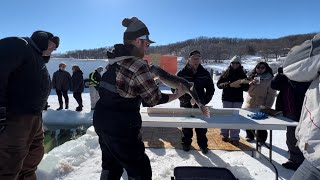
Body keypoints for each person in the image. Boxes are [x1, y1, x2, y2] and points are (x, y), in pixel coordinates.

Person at [93, 17, 185, 180]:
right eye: (147, 44)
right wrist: (177, 94)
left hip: (101, 120)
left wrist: (149, 76)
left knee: (111, 165)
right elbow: (153, 99)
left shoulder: (115, 59)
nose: (147, 48)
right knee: (139, 169)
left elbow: (125, 81)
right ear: (137, 41)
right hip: (122, 125)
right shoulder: (138, 64)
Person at [0, 31, 59, 179]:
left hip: (34, 117)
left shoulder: (37, 58)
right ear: (43, 38)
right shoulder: (19, 44)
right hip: (14, 117)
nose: (55, 48)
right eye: (54, 43)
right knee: (9, 164)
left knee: (31, 159)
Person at [282, 34, 320, 180]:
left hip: (296, 109)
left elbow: (292, 67)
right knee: (292, 137)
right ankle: (294, 159)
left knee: (293, 136)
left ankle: (295, 159)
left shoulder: (306, 73)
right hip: (289, 109)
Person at [271, 67, 311, 170]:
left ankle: (300, 160)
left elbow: (302, 89)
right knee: (291, 137)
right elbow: (274, 85)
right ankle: (295, 159)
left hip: (302, 111)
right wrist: (280, 74)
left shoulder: (304, 76)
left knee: (303, 136)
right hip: (288, 111)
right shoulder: (285, 77)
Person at [176, 50, 215, 154]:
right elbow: (174, 88)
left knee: (201, 127)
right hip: (185, 103)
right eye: (193, 58)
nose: (196, 60)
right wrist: (181, 97)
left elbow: (211, 89)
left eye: (198, 58)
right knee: (186, 126)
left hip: (200, 104)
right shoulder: (181, 73)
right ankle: (186, 143)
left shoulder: (205, 73)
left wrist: (205, 100)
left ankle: (203, 145)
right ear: (189, 59)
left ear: (200, 60)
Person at [217, 55, 249, 146]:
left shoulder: (243, 74)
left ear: (240, 64)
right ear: (230, 63)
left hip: (238, 99)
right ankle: (224, 134)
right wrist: (229, 85)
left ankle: (235, 137)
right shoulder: (225, 73)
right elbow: (219, 85)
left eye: (237, 63)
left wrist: (242, 84)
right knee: (226, 117)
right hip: (226, 98)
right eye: (233, 63)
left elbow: (247, 88)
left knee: (235, 119)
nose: (235, 64)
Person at [243, 62, 277, 144]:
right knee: (249, 120)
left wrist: (267, 106)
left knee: (262, 122)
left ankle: (261, 139)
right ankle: (249, 135)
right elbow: (247, 90)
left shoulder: (270, 79)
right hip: (250, 102)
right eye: (258, 67)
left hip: (263, 103)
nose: (260, 69)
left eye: (262, 67)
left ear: (266, 69)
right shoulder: (251, 77)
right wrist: (252, 83)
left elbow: (271, 94)